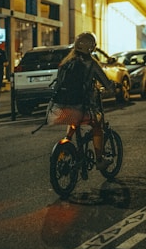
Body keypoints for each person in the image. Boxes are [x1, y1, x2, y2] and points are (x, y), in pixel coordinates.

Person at [48, 32, 115, 171]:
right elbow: (106, 83)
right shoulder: (91, 64)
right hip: (80, 107)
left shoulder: (66, 61)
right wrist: (111, 87)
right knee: (97, 126)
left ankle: (66, 143)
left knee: (73, 119)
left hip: (59, 107)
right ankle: (99, 160)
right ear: (91, 48)